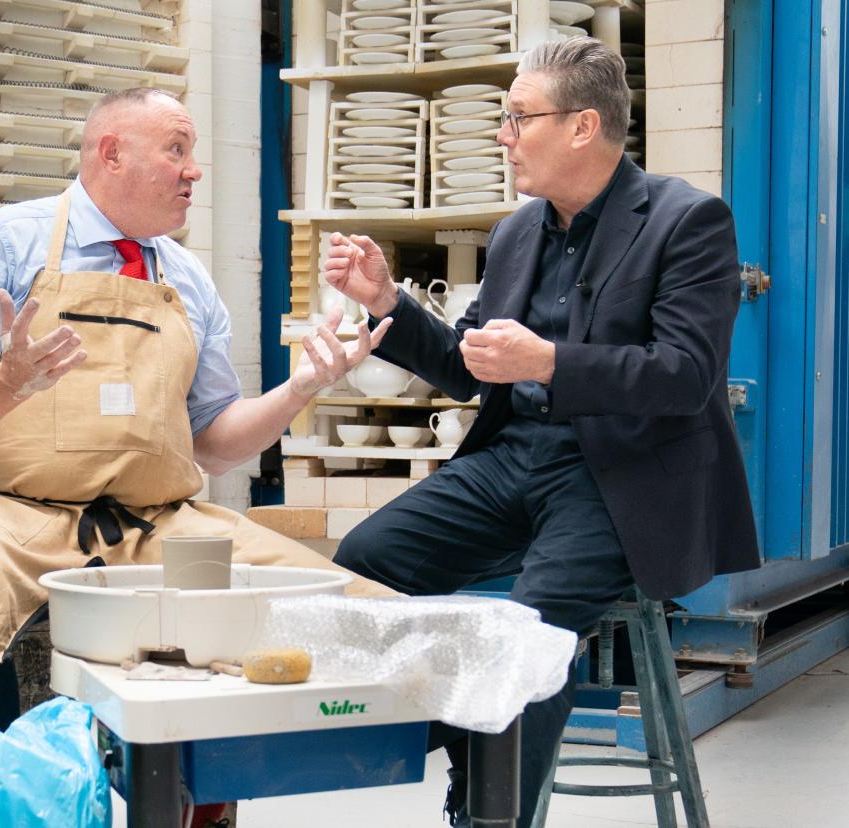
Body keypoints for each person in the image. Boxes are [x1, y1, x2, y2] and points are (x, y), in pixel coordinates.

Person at [0, 87, 396, 824]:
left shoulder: (185, 280)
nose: (195, 171)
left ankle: (200, 796)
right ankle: (11, 786)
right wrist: (7, 380)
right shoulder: (3, 245)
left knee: (347, 608)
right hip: (14, 515)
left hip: (159, 522)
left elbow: (216, 441)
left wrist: (302, 389)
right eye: (178, 149)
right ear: (112, 154)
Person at [323, 38, 760, 827]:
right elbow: (471, 368)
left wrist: (555, 362)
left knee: (530, 633)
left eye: (518, 117)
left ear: (583, 127)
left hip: (621, 476)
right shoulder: (521, 230)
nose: (503, 135)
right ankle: (465, 753)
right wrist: (389, 303)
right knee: (366, 563)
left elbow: (686, 375)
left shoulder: (688, 221)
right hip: (512, 461)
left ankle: (492, 815)